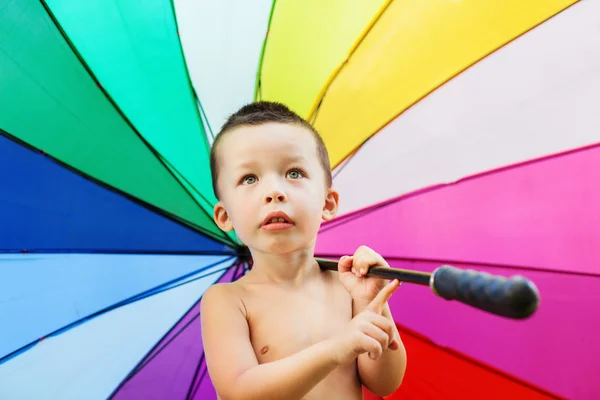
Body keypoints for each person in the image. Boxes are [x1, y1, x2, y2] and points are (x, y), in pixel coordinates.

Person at [201, 101, 407, 400]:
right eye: (249, 178)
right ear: (225, 216)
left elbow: (386, 383)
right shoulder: (228, 300)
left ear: (327, 203)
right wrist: (336, 349)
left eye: (294, 173)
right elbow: (239, 391)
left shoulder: (347, 287)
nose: (274, 191)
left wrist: (371, 302)